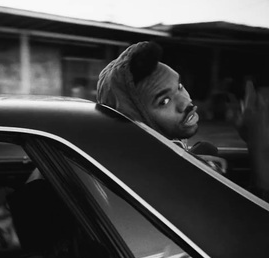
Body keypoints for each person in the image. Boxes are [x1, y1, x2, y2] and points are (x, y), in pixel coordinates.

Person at [96, 41, 269, 200]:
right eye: (164, 101)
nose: (185, 102)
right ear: (135, 117)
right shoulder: (162, 179)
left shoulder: (179, 160)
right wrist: (259, 148)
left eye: (179, 87)